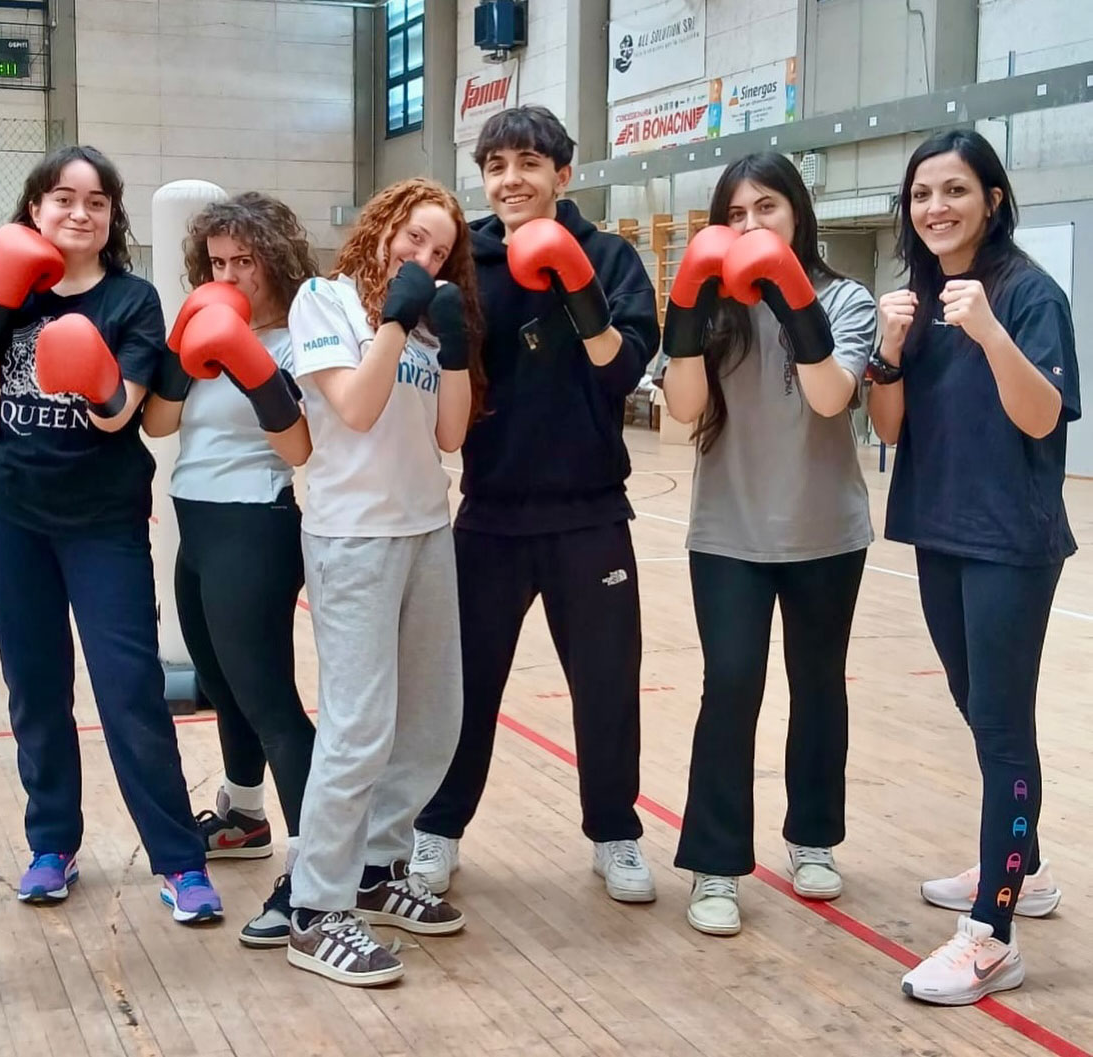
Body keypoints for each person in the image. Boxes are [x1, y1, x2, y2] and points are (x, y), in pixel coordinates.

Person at [0, 145, 222, 923]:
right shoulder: (8, 289)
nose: (80, 212)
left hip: (102, 519)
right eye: (64, 198)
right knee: (34, 683)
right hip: (7, 510)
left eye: (96, 201)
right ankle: (52, 844)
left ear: (112, 217)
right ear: (35, 209)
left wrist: (91, 368)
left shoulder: (132, 300)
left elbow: (118, 414)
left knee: (129, 688)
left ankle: (179, 858)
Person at [411, 106, 661, 905]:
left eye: (527, 162)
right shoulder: (465, 263)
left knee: (607, 682)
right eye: (496, 167)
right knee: (462, 683)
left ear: (563, 172)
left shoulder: (610, 257)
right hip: (489, 513)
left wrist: (575, 283)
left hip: (591, 512)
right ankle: (437, 827)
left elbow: (624, 373)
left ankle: (615, 833)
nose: (510, 179)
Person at [869, 129, 1079, 1005]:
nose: (936, 208)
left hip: (1010, 542)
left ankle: (994, 933)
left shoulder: (1029, 294)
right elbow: (888, 429)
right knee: (978, 708)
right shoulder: (918, 298)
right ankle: (1020, 866)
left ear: (992, 199)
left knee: (1000, 727)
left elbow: (1042, 417)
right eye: (922, 194)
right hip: (939, 530)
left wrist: (990, 332)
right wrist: (886, 350)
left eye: (954, 190)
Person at [661, 152, 876, 937]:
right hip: (729, 532)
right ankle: (715, 864)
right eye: (735, 214)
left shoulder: (846, 300)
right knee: (730, 684)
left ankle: (813, 836)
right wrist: (688, 313)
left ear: (797, 214)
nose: (750, 225)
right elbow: (684, 408)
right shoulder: (714, 306)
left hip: (825, 532)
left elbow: (831, 396)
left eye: (766, 209)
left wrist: (791, 297)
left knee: (818, 684)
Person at [283, 177, 486, 987]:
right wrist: (396, 321)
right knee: (359, 726)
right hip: (353, 538)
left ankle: (376, 868)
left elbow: (450, 434)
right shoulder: (323, 302)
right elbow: (357, 409)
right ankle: (315, 907)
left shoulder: (429, 325)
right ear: (380, 228)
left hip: (426, 529)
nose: (425, 256)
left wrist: (455, 346)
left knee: (433, 720)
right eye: (414, 237)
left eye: (441, 250)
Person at [141, 192, 317, 947]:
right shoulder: (205, 324)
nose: (230, 275)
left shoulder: (301, 335)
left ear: (274, 258)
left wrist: (251, 365)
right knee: (221, 684)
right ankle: (245, 815)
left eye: (244, 260)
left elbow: (299, 446)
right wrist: (186, 353)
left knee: (268, 695)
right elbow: (158, 424)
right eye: (217, 262)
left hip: (256, 523)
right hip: (196, 522)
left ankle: (317, 867)